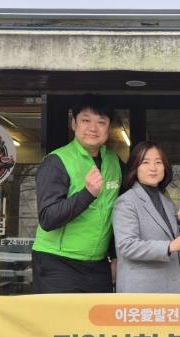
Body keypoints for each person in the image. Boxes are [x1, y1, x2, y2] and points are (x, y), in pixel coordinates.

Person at [32, 94, 122, 293]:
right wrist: (87, 194)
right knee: (62, 316)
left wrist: (115, 256)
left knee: (97, 315)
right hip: (57, 263)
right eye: (85, 120)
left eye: (101, 122)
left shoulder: (113, 161)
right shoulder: (57, 161)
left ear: (109, 128)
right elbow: (48, 218)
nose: (93, 128)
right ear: (74, 124)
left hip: (98, 265)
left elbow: (115, 212)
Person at [112, 141, 180, 293]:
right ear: (135, 168)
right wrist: (168, 247)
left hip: (169, 290)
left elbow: (170, 236)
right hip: (142, 292)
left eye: (158, 162)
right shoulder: (126, 202)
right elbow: (127, 246)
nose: (153, 168)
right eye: (145, 162)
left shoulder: (166, 202)